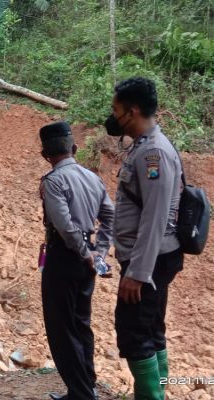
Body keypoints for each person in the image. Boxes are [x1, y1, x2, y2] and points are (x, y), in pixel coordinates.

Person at [105, 77, 183, 400]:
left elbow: (154, 218)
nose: (112, 116)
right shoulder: (142, 146)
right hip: (153, 258)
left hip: (150, 261)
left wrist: (138, 273)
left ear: (132, 111)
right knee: (151, 331)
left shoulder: (154, 154)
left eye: (116, 110)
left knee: (135, 335)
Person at [38, 121, 114, 400]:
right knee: (81, 322)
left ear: (45, 155)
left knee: (61, 327)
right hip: (87, 256)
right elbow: (110, 216)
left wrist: (84, 252)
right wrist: (99, 252)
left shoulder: (53, 181)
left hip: (65, 256)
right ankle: (83, 387)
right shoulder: (93, 178)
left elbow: (65, 225)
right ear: (75, 148)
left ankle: (82, 394)